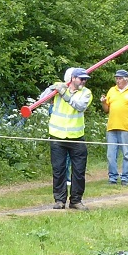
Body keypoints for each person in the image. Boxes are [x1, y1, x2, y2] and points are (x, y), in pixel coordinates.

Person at [41, 67, 92, 210]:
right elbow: (42, 100)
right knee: (58, 170)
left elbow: (80, 106)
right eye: (81, 79)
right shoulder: (59, 89)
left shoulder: (86, 93)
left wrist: (65, 94)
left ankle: (76, 201)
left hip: (76, 138)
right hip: (57, 137)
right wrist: (51, 89)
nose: (84, 81)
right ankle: (59, 200)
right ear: (72, 79)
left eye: (85, 79)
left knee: (79, 171)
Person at [100, 69, 128, 185]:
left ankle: (125, 178)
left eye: (119, 78)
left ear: (126, 79)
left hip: (126, 127)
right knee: (111, 155)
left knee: (126, 154)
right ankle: (112, 178)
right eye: (116, 78)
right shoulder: (112, 90)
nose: (117, 80)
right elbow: (106, 110)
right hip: (112, 127)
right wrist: (103, 102)